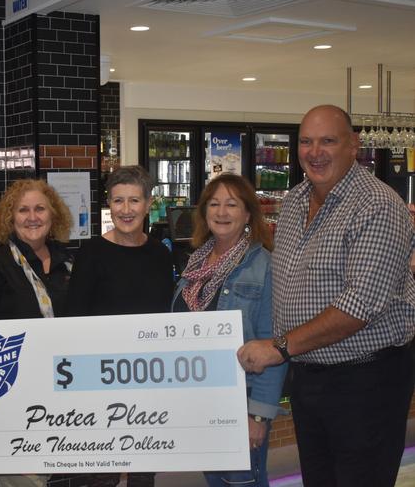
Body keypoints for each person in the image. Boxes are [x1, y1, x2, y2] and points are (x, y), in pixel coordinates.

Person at [238, 104, 415, 487]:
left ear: (354, 146)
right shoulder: (295, 200)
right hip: (309, 379)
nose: (314, 152)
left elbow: (361, 304)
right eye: (306, 141)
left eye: (328, 141)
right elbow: (283, 289)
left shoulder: (377, 205)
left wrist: (279, 347)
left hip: (365, 383)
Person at [171, 173, 286, 487]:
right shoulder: (195, 263)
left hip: (242, 400)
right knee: (216, 480)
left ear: (248, 213)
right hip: (200, 396)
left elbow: (273, 344)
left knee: (241, 482)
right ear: (204, 212)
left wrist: (259, 416)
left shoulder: (264, 265)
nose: (221, 212)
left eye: (231, 204)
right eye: (214, 203)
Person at [66, 165, 174, 487]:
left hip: (148, 380)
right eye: (118, 201)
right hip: (99, 382)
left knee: (143, 472)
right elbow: (74, 322)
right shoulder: (91, 254)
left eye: (134, 201)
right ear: (109, 204)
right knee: (102, 473)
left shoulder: (160, 254)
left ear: (149, 203)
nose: (126, 210)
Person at [0, 178, 73, 487]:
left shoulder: (68, 263)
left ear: (53, 215)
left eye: (40, 208)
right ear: (9, 217)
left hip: (60, 393)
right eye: (22, 210)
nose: (32, 217)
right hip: (12, 398)